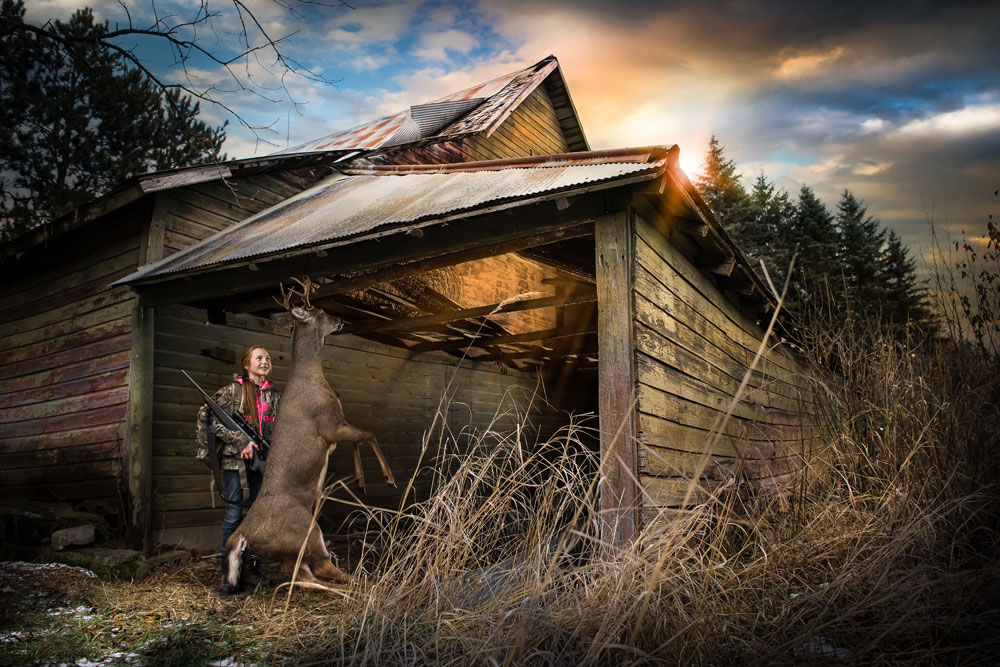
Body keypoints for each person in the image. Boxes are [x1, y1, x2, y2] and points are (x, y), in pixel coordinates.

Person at [197, 345, 281, 554]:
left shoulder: (276, 395)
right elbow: (208, 419)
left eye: (268, 358)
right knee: (234, 513)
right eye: (259, 358)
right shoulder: (232, 390)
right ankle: (229, 571)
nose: (265, 362)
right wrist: (239, 440)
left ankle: (250, 567)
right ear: (246, 364)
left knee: (257, 515)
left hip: (264, 461)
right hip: (235, 461)